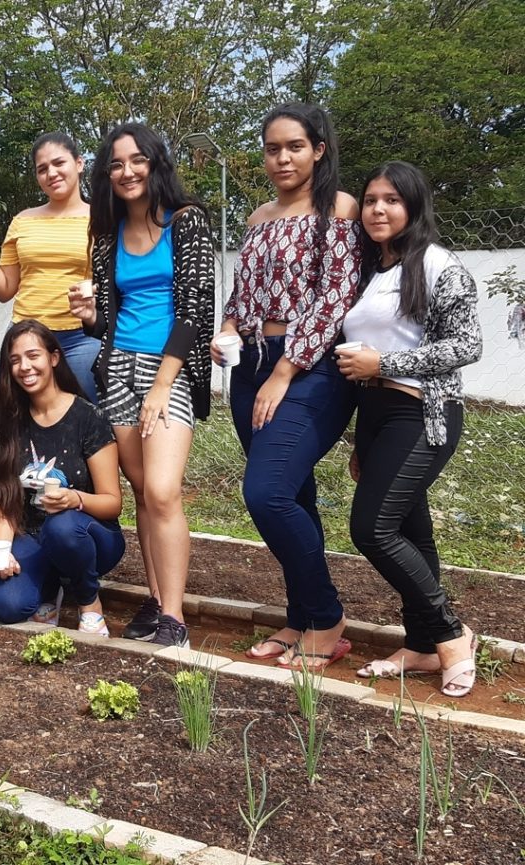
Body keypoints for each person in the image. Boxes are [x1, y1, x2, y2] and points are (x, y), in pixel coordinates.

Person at [210, 103, 361, 670]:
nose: (282, 158)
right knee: (293, 495)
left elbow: (334, 302)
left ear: (318, 149)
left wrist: (283, 370)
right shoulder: (258, 217)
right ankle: (300, 617)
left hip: (311, 368)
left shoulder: (339, 210)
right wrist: (227, 330)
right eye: (272, 149)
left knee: (265, 492)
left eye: (294, 146)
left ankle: (326, 616)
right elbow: (244, 296)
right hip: (251, 365)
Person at [338, 161, 481, 697]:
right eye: (371, 199)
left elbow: (467, 346)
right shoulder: (373, 272)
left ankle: (450, 633)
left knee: (372, 529)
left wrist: (387, 364)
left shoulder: (439, 263)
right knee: (412, 533)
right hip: (377, 416)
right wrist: (358, 435)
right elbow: (366, 362)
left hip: (422, 413)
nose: (377, 209)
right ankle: (421, 643)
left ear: (413, 207)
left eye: (391, 200)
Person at [70, 123, 215, 648]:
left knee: (162, 490)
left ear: (156, 164)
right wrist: (90, 316)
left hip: (166, 370)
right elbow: (110, 318)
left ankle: (175, 620)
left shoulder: (187, 221)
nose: (127, 171)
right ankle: (156, 602)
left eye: (137, 161)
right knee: (139, 493)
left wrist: (162, 384)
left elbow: (195, 309)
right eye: (115, 164)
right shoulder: (107, 236)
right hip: (118, 370)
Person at [0, 320, 125, 633]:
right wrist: (4, 552)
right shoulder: (11, 422)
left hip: (89, 536)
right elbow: (5, 501)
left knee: (62, 526)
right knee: (6, 605)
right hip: (34, 538)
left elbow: (112, 503)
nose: (24, 367)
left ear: (53, 357)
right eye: (14, 360)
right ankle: (50, 587)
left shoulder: (88, 417)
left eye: (33, 356)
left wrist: (74, 498)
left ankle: (89, 601)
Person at [0, 132, 100, 401]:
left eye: (59, 163)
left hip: (82, 338)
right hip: (27, 336)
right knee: (17, 424)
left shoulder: (103, 220)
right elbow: (5, 289)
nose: (52, 173)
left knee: (86, 421)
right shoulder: (23, 221)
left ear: (79, 163)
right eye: (42, 169)